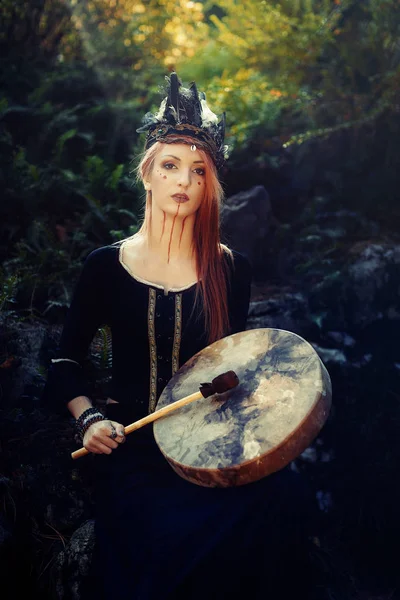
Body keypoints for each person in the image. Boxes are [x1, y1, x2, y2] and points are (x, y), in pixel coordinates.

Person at [44, 73, 317, 599]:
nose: (183, 181)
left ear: (210, 183)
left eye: (198, 170)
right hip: (134, 448)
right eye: (170, 165)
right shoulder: (105, 266)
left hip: (209, 445)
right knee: (172, 541)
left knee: (283, 496)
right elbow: (64, 364)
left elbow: (229, 368)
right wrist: (89, 419)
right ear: (147, 174)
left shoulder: (229, 270)